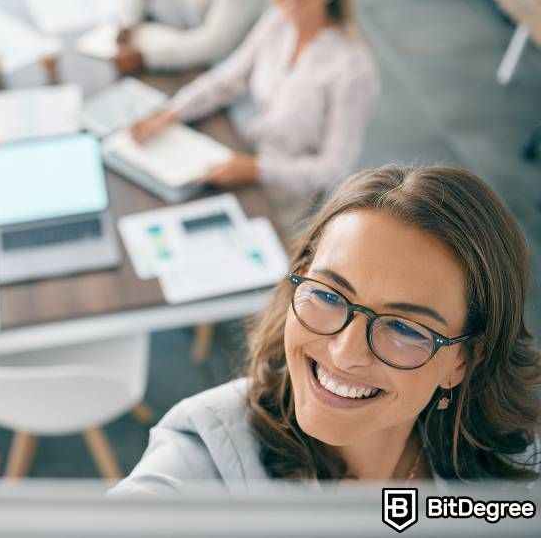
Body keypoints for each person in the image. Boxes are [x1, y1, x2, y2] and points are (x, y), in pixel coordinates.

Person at [111, 164, 540, 493]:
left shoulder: (516, 468)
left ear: (463, 360)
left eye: (406, 329)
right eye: (330, 296)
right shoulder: (204, 448)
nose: (344, 352)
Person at [130, 0, 380, 232]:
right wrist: (170, 112)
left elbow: (334, 168)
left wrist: (256, 168)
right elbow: (227, 79)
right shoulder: (278, 21)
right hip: (245, 160)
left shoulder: (353, 68)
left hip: (287, 202)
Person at [114, 0, 267, 75]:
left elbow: (217, 43)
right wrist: (128, 23)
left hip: (251, 62)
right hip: (203, 48)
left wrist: (146, 57)